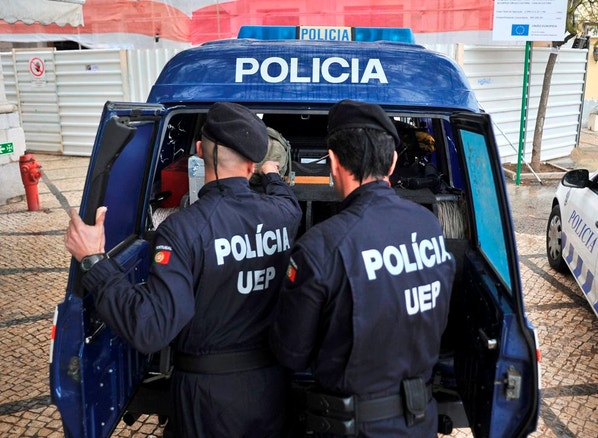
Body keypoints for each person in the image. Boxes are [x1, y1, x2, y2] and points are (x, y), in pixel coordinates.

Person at [65, 102, 302, 437]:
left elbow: (152, 329)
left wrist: (94, 261)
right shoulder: (284, 214)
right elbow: (285, 196)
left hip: (208, 399)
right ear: (252, 164)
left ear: (199, 151)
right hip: (272, 388)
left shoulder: (182, 230)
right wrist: (272, 173)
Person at [270, 99, 456, 437]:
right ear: (393, 161)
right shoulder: (429, 227)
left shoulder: (320, 247)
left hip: (356, 427)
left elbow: (292, 353)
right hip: (420, 421)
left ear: (333, 162)